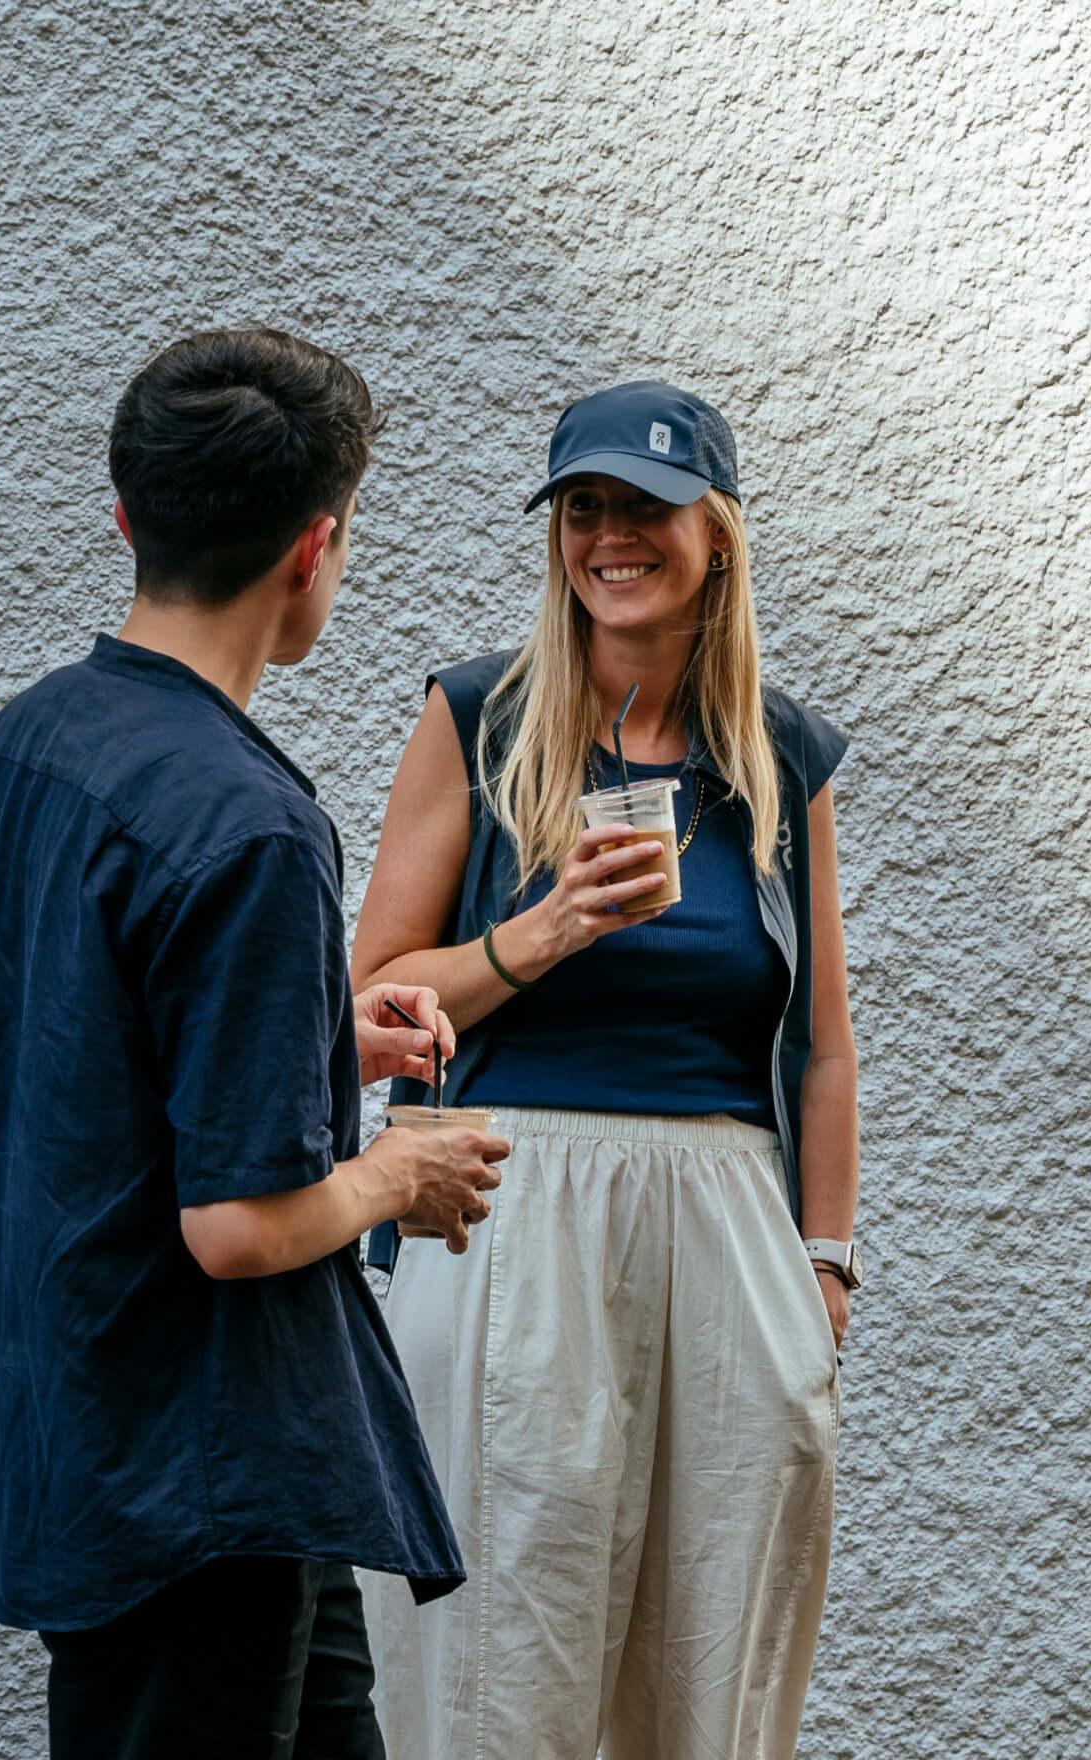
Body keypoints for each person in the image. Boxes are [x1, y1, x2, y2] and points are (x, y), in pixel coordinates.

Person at [0, 328, 508, 1760]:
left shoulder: (12, 752)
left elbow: (65, 1040)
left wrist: (315, 1035)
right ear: (315, 547)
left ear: (125, 518)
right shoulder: (252, 823)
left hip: (97, 1422)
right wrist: (401, 1179)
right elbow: (239, 1225)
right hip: (198, 1466)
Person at [347, 381, 862, 1760]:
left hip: (727, 1217)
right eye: (585, 509)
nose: (610, 537)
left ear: (720, 535)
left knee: (715, 1640)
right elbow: (375, 993)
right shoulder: (480, 716)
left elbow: (819, 1044)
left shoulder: (778, 755)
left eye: (646, 507)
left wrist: (824, 1266)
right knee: (504, 1633)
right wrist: (543, 931)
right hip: (507, 1196)